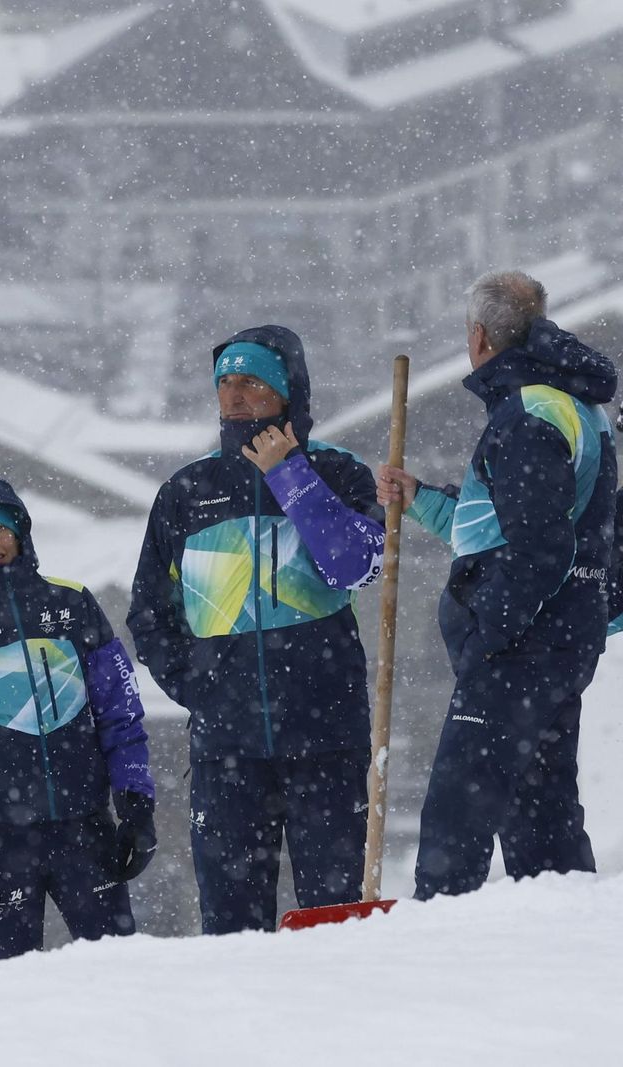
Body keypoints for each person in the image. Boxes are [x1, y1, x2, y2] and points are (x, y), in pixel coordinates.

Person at [127, 326, 385, 934]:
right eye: (225, 383)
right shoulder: (187, 492)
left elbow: (355, 565)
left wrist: (290, 475)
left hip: (326, 736)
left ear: (286, 392)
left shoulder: (337, 472)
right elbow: (150, 611)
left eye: (251, 382)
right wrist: (199, 688)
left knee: (334, 921)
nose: (235, 395)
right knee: (230, 929)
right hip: (227, 749)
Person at [376, 271, 615, 900]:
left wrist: (491, 631)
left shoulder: (531, 413)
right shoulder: (569, 404)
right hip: (560, 635)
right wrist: (420, 500)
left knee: (460, 807)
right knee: (541, 806)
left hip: (522, 644)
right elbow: (497, 529)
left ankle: (439, 928)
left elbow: (537, 548)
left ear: (479, 336)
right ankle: (558, 921)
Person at [0, 477, 156, 961]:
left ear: (20, 530)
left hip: (84, 829)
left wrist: (136, 806)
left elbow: (120, 711)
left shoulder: (73, 603)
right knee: (12, 988)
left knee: (118, 973)